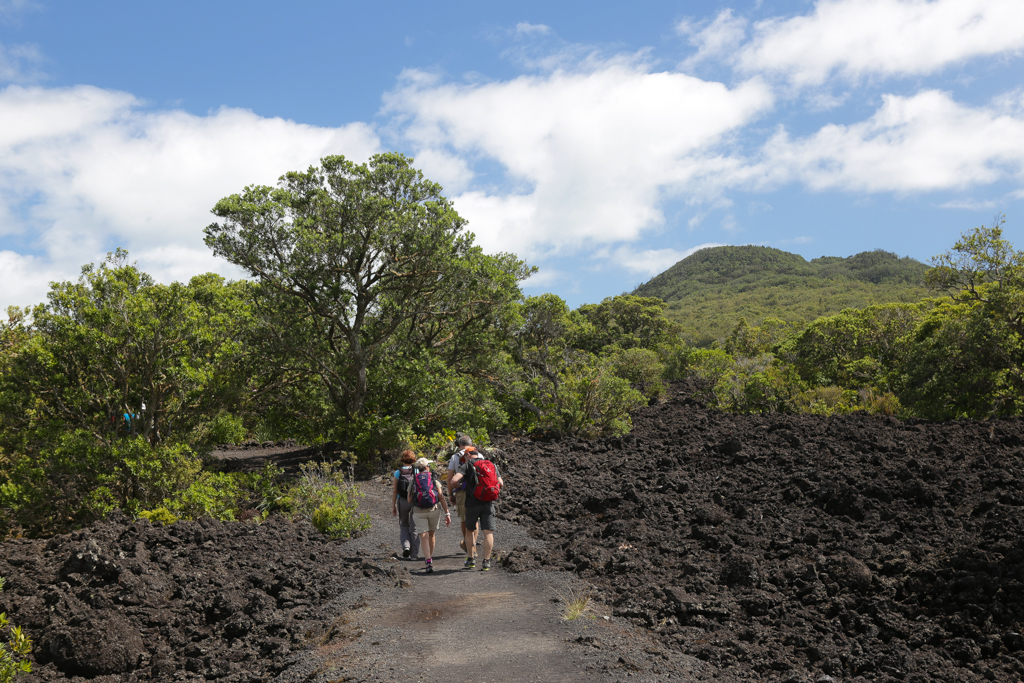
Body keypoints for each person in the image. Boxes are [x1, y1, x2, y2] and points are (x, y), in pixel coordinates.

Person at [449, 450, 503, 571]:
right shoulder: (491, 464)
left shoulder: (467, 465)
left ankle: (471, 558)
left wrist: (458, 486)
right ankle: (486, 561)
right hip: (488, 503)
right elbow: (501, 483)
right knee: (488, 532)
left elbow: (453, 480)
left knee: (470, 530)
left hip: (472, 503)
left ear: (468, 455)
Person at [408, 457, 451, 573]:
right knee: (431, 535)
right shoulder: (433, 479)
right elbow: (441, 497)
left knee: (423, 536)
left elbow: (409, 500)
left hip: (418, 511)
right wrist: (447, 512)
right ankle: (430, 558)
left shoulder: (413, 480)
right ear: (427, 467)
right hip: (434, 510)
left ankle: (428, 561)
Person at [447, 435, 478, 554]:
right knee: (475, 520)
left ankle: (467, 543)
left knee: (464, 519)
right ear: (471, 444)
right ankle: (473, 546)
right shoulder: (478, 455)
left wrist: (450, 493)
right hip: (476, 491)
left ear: (460, 445)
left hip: (461, 491)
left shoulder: (455, 457)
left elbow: (450, 477)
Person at [391, 450, 420, 560]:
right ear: (413, 459)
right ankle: (414, 555)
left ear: (402, 459)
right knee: (414, 527)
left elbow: (395, 491)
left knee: (404, 524)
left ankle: (406, 546)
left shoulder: (398, 473)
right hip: (414, 501)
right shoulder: (416, 470)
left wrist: (393, 505)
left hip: (402, 500)